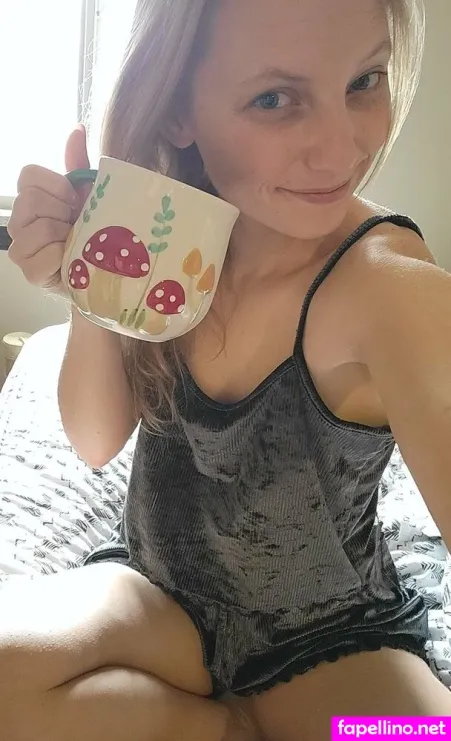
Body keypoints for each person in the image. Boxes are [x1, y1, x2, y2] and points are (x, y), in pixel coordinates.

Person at [4, 0, 451, 738]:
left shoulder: (388, 287)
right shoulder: (168, 236)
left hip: (329, 639)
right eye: (275, 99)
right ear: (178, 109)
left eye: (364, 81)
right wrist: (89, 282)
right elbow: (94, 440)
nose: (340, 149)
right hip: (159, 597)